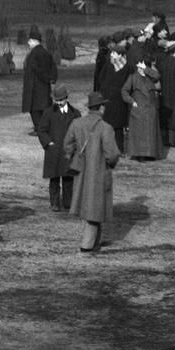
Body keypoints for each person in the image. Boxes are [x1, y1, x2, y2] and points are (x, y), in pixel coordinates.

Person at [62, 92, 119, 252]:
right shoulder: (105, 128)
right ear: (101, 108)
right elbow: (112, 154)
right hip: (99, 174)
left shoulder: (76, 123)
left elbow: (67, 145)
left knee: (91, 207)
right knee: (95, 209)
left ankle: (94, 242)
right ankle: (87, 245)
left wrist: (75, 158)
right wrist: (109, 164)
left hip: (81, 174)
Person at [34, 85, 79, 212]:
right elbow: (41, 130)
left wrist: (75, 146)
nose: (58, 103)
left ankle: (68, 203)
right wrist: (49, 143)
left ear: (66, 98)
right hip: (54, 152)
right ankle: (54, 203)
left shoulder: (75, 113)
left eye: (61, 100)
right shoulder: (48, 112)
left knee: (68, 179)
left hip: (68, 152)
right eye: (56, 100)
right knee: (54, 179)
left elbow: (79, 132)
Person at [123, 57, 165, 160]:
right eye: (139, 65)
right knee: (140, 134)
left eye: (142, 65)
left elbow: (158, 76)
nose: (140, 67)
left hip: (150, 109)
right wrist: (132, 101)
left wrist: (146, 69)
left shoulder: (149, 77)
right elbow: (124, 90)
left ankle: (150, 154)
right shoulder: (132, 77)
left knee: (150, 134)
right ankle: (140, 155)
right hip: (139, 109)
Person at [20, 27, 57, 121]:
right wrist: (51, 80)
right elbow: (52, 68)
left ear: (34, 41)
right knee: (42, 108)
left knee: (36, 109)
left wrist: (46, 78)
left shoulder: (35, 54)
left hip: (36, 87)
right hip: (41, 87)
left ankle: (39, 128)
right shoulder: (44, 52)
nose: (28, 43)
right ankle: (41, 127)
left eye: (30, 40)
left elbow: (39, 70)